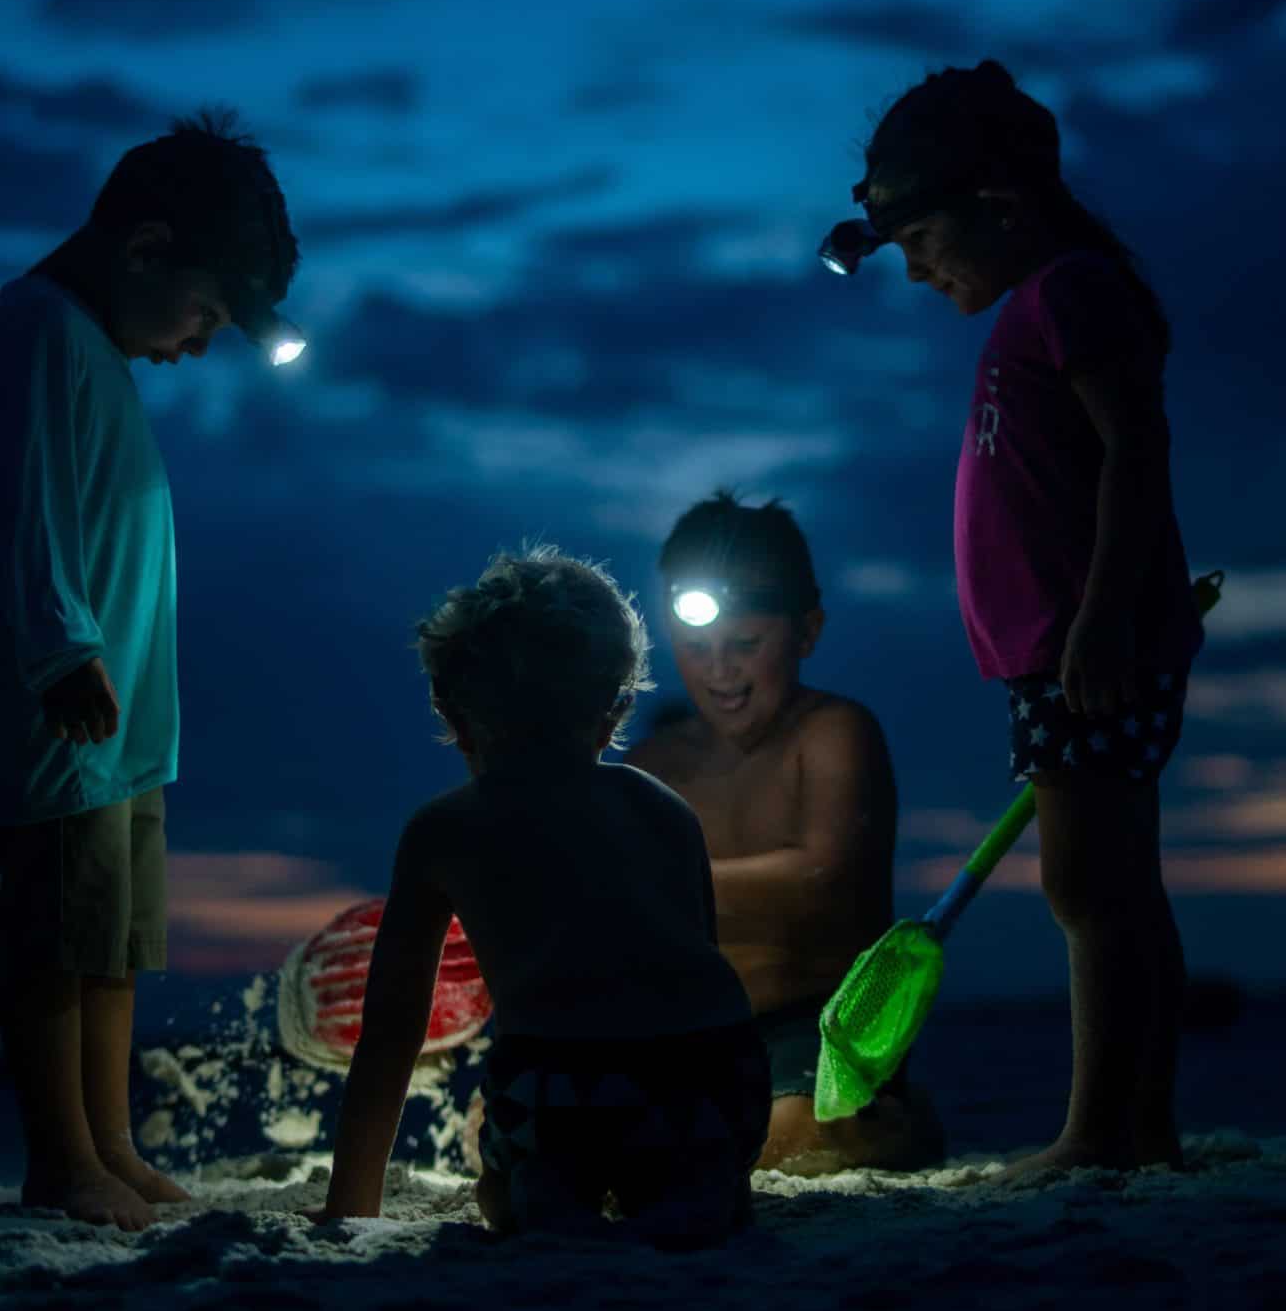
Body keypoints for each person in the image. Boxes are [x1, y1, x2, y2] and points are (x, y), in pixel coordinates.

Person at [818, 61, 1204, 1175]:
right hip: (1063, 655)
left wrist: (1098, 619)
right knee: (1106, 882)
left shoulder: (1072, 290)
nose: (916, 270)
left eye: (921, 241)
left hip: (1093, 651)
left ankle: (1102, 1135)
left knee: (1094, 886)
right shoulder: (1038, 307)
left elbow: (1138, 453)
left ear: (997, 205)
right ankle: (1139, 1129)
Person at [0, 110, 300, 1231]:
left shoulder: (95, 348)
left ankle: (110, 1141)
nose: (197, 344)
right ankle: (61, 1157)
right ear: (144, 249)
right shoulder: (39, 327)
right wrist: (60, 648)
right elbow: (23, 503)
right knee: (56, 932)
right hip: (67, 709)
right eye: (202, 313)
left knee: (113, 938)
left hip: (125, 722)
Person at [316, 546, 767, 1246]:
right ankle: (700, 1185)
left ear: (450, 709)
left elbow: (392, 1032)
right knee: (682, 1147)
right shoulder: (662, 809)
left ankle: (544, 1194)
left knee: (507, 1187)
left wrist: (350, 1203)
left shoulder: (444, 830)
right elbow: (701, 963)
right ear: (614, 714)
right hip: (715, 1078)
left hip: (567, 1089)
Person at [624, 491, 939, 1174]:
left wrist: (644, 884)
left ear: (807, 632)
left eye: (745, 645)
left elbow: (823, 878)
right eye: (697, 647)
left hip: (813, 1024)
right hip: (684, 1031)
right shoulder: (650, 765)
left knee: (791, 1137)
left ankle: (889, 1120)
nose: (720, 670)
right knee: (525, 1122)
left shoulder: (833, 734)